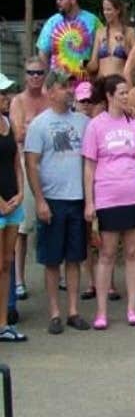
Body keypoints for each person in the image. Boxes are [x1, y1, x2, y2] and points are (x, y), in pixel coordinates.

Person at [81, 75, 135, 329]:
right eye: (122, 93)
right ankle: (101, 311)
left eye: (127, 92)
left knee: (133, 252)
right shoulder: (96, 126)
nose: (126, 97)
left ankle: (132, 307)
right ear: (110, 96)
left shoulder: (134, 123)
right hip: (108, 197)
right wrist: (90, 202)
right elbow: (89, 166)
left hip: (134, 194)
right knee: (108, 253)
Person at [24, 71, 90, 335]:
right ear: (50, 91)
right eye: (63, 87)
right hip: (52, 198)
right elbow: (32, 164)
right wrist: (40, 200)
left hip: (76, 197)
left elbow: (90, 161)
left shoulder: (83, 121)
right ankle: (54, 312)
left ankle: (73, 310)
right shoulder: (39, 124)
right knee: (52, 259)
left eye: (70, 86)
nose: (69, 91)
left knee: (74, 257)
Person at [10, 57, 48, 301]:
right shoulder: (18, 101)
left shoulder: (48, 99)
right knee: (22, 228)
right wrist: (37, 127)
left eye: (39, 72)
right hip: (25, 162)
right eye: (31, 72)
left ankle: (59, 274)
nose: (35, 76)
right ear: (25, 75)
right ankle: (20, 279)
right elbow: (18, 134)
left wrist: (31, 126)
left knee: (53, 219)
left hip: (49, 163)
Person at [0, 80, 25, 342]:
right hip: (0, 205)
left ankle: (3, 324)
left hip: (13, 203)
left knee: (6, 263)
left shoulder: (9, 124)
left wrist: (20, 193)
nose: (8, 97)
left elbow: (16, 163)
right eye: (3, 93)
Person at [36, 0, 101, 78]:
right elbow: (43, 53)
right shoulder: (52, 22)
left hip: (83, 85)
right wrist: (46, 82)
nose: (58, 2)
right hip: (57, 86)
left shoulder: (93, 21)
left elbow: (104, 51)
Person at [87, 0, 135, 79]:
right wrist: (83, 64)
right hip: (102, 84)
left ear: (118, 10)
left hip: (120, 84)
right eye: (104, 9)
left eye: (109, 9)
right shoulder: (100, 32)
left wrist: (124, 45)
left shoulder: (129, 32)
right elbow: (94, 65)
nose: (105, 13)